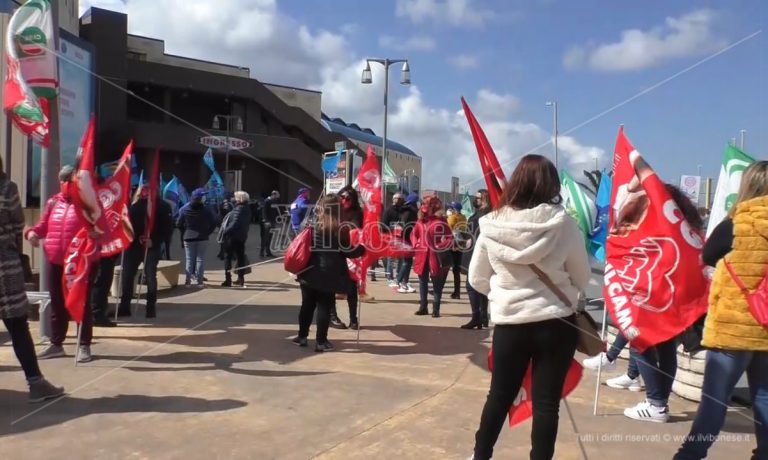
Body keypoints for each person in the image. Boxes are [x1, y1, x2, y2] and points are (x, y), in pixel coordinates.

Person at [467, 154, 590, 460]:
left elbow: (477, 278)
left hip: (510, 324)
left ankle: (481, 455)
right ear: (551, 185)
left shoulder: (491, 225)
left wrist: (504, 294)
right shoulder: (564, 224)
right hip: (556, 323)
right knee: (547, 402)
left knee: (498, 395)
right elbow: (583, 276)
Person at [674, 161, 768, 460]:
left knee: (714, 400)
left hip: (732, 328)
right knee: (765, 398)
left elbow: (708, 256)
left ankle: (691, 454)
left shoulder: (735, 224)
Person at [623, 184, 705, 423]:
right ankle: (659, 402)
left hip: (653, 292)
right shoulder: (688, 226)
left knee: (640, 343)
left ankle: (656, 403)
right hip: (674, 295)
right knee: (667, 345)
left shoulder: (657, 223)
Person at [0, 162, 65, 402]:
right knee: (17, 326)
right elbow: (17, 225)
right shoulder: (7, 187)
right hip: (4, 267)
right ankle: (36, 383)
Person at [26, 166, 98, 363]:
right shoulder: (53, 202)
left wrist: (95, 233)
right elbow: (43, 226)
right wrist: (31, 233)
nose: (66, 183)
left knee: (81, 303)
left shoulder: (88, 204)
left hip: (80, 262)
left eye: (70, 179)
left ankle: (84, 344)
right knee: (57, 303)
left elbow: (102, 228)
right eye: (64, 180)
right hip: (55, 259)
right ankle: (56, 344)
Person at [293, 194, 364, 352]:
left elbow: (298, 239)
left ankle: (302, 337)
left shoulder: (310, 223)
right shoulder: (339, 227)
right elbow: (349, 252)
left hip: (308, 271)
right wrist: (363, 247)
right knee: (324, 306)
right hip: (329, 273)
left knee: (307, 305)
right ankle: (321, 342)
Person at [117, 185, 174, 318]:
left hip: (151, 247)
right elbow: (127, 225)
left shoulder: (163, 206)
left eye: (149, 189)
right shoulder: (134, 205)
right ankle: (124, 306)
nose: (145, 192)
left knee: (150, 276)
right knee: (127, 275)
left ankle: (150, 307)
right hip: (133, 246)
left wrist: (154, 240)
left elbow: (168, 229)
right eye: (143, 189)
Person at [411, 195, 453, 317]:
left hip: (436, 255)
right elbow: (414, 234)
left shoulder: (441, 221)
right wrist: (416, 243)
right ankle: (423, 307)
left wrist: (441, 245)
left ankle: (436, 309)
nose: (425, 208)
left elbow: (450, 237)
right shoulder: (420, 221)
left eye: (428, 206)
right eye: (424, 205)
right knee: (422, 281)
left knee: (437, 282)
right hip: (421, 254)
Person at [329, 185, 364, 330]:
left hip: (350, 254)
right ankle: (332, 316)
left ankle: (353, 319)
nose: (344, 200)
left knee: (351, 288)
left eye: (348, 197)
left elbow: (356, 229)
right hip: (333, 253)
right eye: (342, 197)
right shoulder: (333, 211)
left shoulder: (357, 212)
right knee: (330, 287)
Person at [461, 189, 492, 330]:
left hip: (477, 252)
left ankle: (476, 317)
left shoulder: (485, 215)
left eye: (478, 198)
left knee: (471, 285)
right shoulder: (483, 213)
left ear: (484, 199)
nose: (476, 200)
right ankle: (483, 317)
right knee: (479, 286)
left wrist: (470, 238)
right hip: (473, 250)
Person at [176, 188, 217, 287]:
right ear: (200, 198)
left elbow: (178, 223)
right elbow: (214, 222)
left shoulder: (185, 209)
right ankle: (199, 281)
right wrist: (208, 232)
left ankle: (188, 281)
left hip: (188, 236)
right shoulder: (206, 210)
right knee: (200, 260)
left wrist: (184, 230)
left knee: (189, 259)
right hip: (202, 237)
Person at [219, 191, 252, 287]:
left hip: (233, 237)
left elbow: (235, 223)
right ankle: (241, 278)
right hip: (242, 236)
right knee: (240, 257)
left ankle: (228, 279)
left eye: (235, 197)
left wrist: (225, 232)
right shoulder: (247, 208)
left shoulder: (239, 209)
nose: (233, 198)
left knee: (227, 258)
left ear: (239, 199)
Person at [395, 192, 419, 293]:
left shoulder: (405, 211)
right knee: (407, 262)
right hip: (406, 239)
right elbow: (405, 227)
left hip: (404, 239)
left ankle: (404, 282)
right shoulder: (410, 212)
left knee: (407, 262)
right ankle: (400, 282)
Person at [381, 192, 405, 287]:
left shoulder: (403, 210)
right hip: (390, 237)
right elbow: (383, 225)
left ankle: (398, 276)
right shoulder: (388, 210)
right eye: (395, 198)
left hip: (401, 237)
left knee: (400, 258)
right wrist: (392, 228)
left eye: (399, 199)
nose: (397, 200)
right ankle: (390, 278)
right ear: (392, 199)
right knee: (390, 258)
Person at [447, 201, 468, 299]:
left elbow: (448, 228)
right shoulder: (463, 218)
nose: (449, 210)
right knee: (456, 270)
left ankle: (437, 289)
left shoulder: (451, 218)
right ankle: (457, 292)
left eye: (451, 208)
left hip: (452, 245)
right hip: (461, 244)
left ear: (454, 210)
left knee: (445, 267)